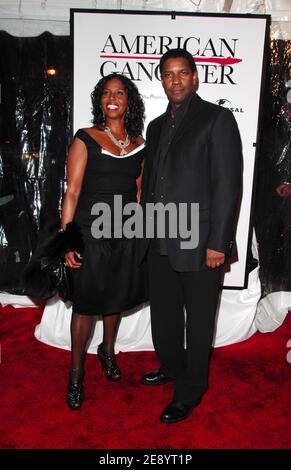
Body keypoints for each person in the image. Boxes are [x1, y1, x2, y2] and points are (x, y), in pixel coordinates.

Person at [139, 48, 242, 423]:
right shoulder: (155, 126)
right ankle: (171, 366)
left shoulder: (216, 118)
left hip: (201, 243)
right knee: (164, 315)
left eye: (183, 73)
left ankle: (192, 387)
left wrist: (219, 242)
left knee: (198, 320)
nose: (176, 80)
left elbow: (227, 184)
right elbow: (151, 183)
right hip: (159, 237)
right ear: (162, 80)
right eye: (168, 74)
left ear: (195, 77)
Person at [62, 73, 147, 410]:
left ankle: (108, 352)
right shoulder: (86, 138)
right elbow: (72, 191)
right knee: (85, 304)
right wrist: (68, 241)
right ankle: (75, 374)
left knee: (116, 298)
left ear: (129, 100)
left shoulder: (140, 144)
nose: (113, 98)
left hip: (125, 233)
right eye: (106, 93)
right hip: (90, 233)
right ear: (100, 100)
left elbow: (138, 193)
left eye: (120, 93)